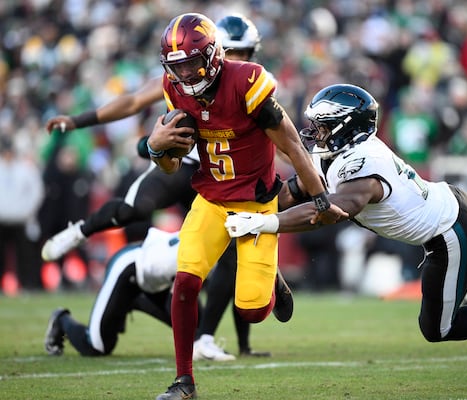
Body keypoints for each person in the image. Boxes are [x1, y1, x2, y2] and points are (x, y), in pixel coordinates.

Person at [224, 83, 467, 385]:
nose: (314, 133)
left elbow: (330, 211)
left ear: (345, 127)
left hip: (447, 233)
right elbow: (299, 189)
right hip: (454, 203)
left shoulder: (362, 164)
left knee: (437, 328)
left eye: (322, 126)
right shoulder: (339, 154)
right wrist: (256, 207)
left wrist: (264, 223)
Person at [41, 14, 273, 360]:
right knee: (135, 207)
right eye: (231, 51)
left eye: (245, 52)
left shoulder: (250, 82)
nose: (238, 59)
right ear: (213, 49)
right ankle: (81, 230)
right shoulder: (183, 75)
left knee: (237, 248)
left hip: (229, 174)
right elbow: (134, 101)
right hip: (189, 161)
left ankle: (209, 337)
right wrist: (77, 122)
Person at [147, 13, 346, 400]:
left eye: (190, 62)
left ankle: (271, 278)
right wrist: (156, 147)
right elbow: (171, 165)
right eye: (177, 66)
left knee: (252, 310)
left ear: (212, 55)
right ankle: (183, 382)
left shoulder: (246, 81)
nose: (185, 73)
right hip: (210, 200)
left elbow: (290, 142)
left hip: (256, 205)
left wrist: (319, 195)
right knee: (185, 282)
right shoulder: (176, 91)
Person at [44, 228, 198, 356]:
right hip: (129, 266)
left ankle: (135, 300)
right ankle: (61, 319)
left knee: (198, 327)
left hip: (157, 277)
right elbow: (177, 298)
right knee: (97, 346)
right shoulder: (203, 244)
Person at [0, 135, 45, 291]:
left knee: (25, 256)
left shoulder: (25, 169)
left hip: (21, 219)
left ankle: (28, 284)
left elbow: (36, 192)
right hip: (2, 219)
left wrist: (27, 211)